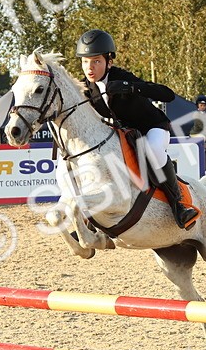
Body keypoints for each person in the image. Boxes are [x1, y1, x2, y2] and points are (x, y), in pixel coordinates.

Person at [74, 28, 198, 230]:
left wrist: (132, 87)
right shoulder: (85, 88)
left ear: (109, 62)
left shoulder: (121, 76)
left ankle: (180, 205)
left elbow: (167, 95)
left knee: (153, 149)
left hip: (152, 128)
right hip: (125, 136)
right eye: (85, 61)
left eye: (96, 61)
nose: (90, 67)